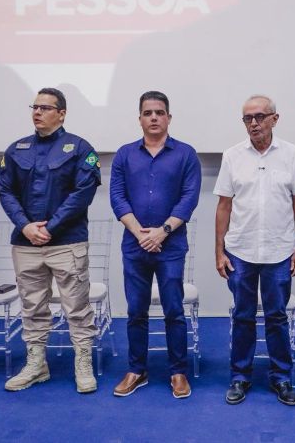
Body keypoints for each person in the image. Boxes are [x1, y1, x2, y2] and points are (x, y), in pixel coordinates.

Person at [0, 87, 101, 394]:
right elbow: (6, 191)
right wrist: (26, 226)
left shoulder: (79, 148)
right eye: (35, 107)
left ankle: (83, 362)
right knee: (32, 306)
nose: (37, 112)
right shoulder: (17, 149)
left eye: (45, 108)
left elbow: (82, 194)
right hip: (26, 243)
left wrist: (50, 228)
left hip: (67, 242)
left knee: (77, 306)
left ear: (62, 113)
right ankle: (36, 364)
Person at [214, 95, 295, 406]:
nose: (253, 123)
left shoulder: (291, 154)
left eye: (259, 117)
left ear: (274, 119)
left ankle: (281, 377)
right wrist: (219, 250)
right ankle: (240, 376)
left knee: (277, 316)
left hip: (279, 250)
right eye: (248, 118)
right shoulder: (232, 156)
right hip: (240, 250)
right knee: (242, 315)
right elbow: (224, 205)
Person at [110, 91, 201, 399]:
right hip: (134, 246)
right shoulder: (124, 155)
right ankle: (137, 369)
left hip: (170, 247)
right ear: (139, 118)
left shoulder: (186, 154)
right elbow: (117, 197)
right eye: (147, 112)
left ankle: (178, 372)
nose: (153, 117)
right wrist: (141, 234)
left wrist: (162, 232)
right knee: (136, 310)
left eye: (159, 112)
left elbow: (189, 198)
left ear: (168, 118)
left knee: (174, 310)